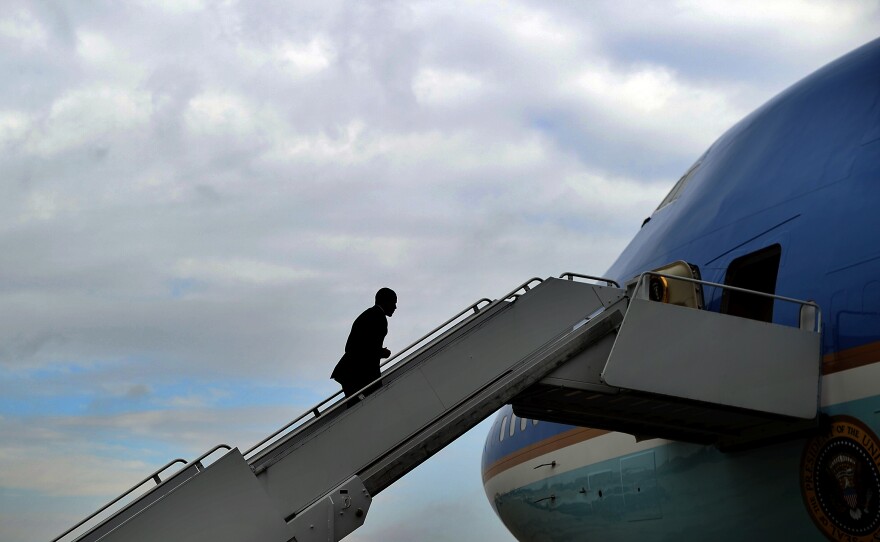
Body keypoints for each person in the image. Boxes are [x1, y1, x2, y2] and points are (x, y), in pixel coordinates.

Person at [331, 288, 397, 399]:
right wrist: (382, 352)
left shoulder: (370, 314)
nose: (395, 307)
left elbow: (357, 345)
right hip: (357, 372)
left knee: (357, 404)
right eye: (394, 303)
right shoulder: (378, 317)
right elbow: (364, 347)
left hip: (351, 371)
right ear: (386, 301)